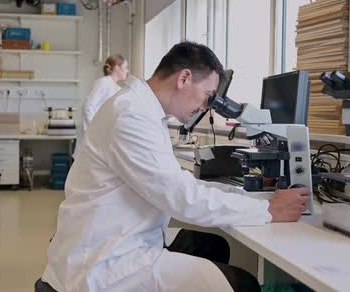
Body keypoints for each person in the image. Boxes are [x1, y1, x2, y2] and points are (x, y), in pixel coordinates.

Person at [41, 42, 309, 291]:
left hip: (117, 235)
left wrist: (247, 197)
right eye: (208, 96)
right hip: (105, 262)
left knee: (211, 245)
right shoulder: (131, 115)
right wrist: (267, 210)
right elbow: (181, 198)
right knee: (243, 285)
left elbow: (180, 183)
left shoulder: (143, 109)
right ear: (183, 78)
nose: (206, 107)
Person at [73, 54, 129, 158]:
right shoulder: (103, 82)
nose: (127, 71)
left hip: (102, 140)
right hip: (92, 141)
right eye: (125, 67)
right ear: (117, 68)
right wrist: (94, 132)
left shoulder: (116, 88)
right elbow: (88, 107)